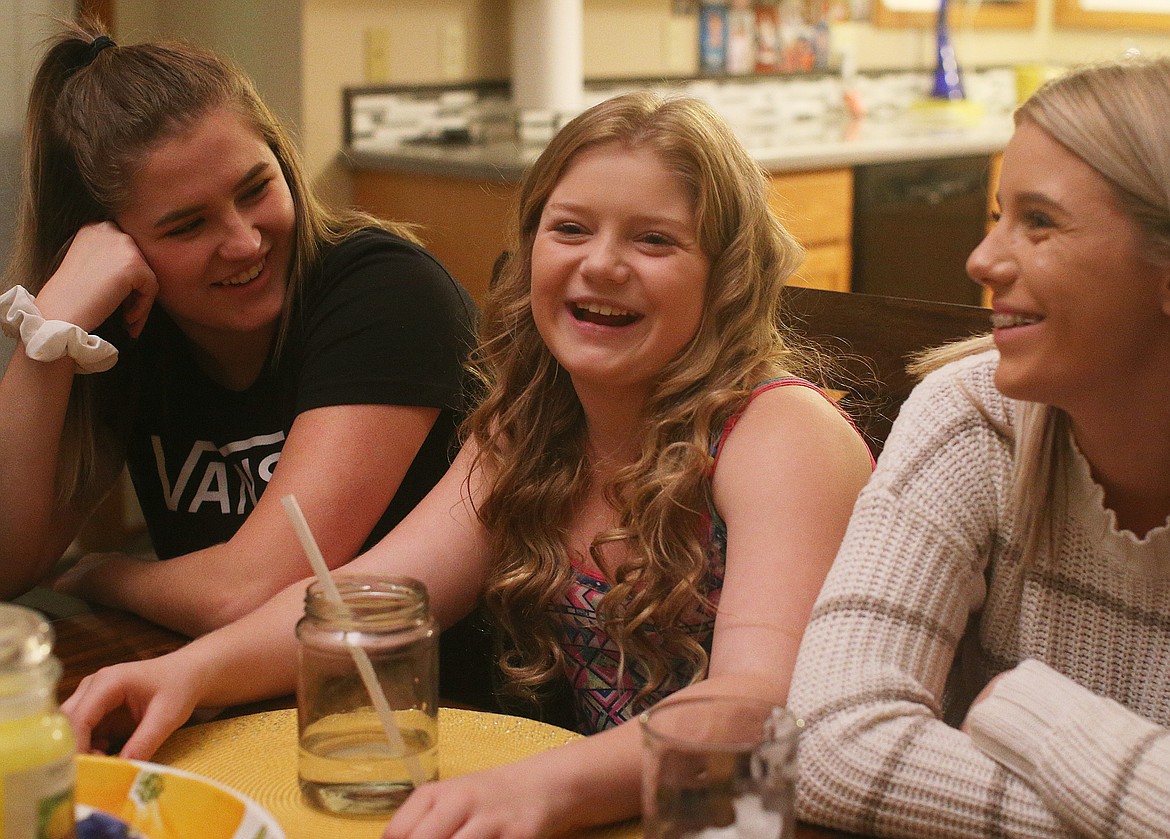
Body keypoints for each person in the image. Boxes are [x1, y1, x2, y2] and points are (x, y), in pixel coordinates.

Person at [62, 90, 873, 838]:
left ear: (725, 275)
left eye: (655, 239)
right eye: (571, 229)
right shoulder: (529, 431)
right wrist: (186, 673)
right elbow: (373, 595)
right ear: (529, 257)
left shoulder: (776, 433)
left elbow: (758, 706)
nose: (602, 263)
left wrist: (535, 788)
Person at [0, 20, 481, 655]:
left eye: (256, 189)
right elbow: (6, 563)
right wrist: (48, 335)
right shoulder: (126, 329)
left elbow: (247, 594)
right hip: (243, 705)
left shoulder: (388, 293)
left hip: (447, 709)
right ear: (110, 242)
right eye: (186, 226)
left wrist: (100, 572)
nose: (244, 241)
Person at [789, 57, 1170, 839]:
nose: (983, 260)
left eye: (1039, 221)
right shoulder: (974, 415)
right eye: (999, 213)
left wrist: (1037, 714)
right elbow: (828, 743)